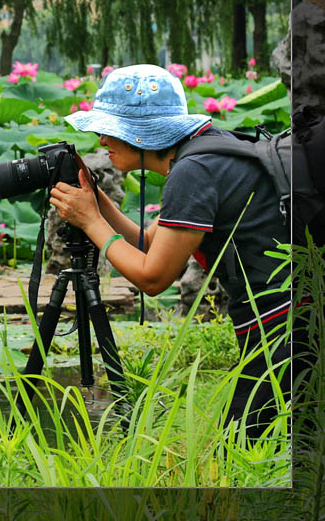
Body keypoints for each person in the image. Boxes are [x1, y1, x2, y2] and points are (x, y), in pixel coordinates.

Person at [49, 64, 292, 441]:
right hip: (286, 317)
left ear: (140, 132)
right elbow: (150, 243)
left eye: (108, 128)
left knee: (248, 447)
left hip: (284, 328)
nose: (100, 140)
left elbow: (153, 277)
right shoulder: (206, 151)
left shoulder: (192, 171)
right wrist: (96, 202)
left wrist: (91, 223)